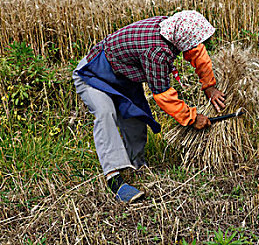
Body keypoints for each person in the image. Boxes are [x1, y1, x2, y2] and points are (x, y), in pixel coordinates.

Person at [72, 10, 225, 203]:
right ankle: (114, 177)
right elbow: (163, 96)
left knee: (136, 118)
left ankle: (136, 167)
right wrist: (192, 118)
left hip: (123, 77)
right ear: (181, 38)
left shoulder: (171, 28)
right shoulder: (156, 51)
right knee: (105, 113)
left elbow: (197, 51)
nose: (194, 44)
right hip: (92, 74)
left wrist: (209, 86)